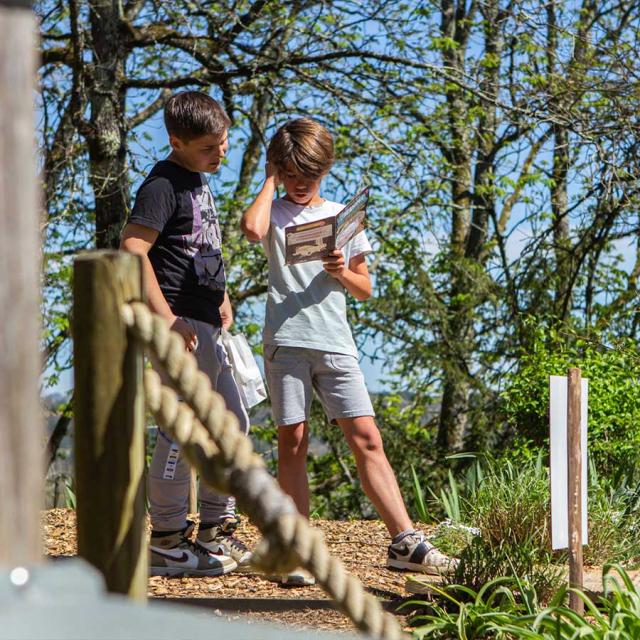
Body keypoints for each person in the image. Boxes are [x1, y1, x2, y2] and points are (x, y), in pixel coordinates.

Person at [240, 118, 458, 586]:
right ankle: (295, 548)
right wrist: (269, 180)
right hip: (287, 340)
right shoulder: (274, 211)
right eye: (292, 175)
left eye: (310, 177)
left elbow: (364, 289)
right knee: (292, 442)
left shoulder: (343, 215)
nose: (301, 185)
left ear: (326, 172)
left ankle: (405, 541)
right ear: (280, 170)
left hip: (335, 342)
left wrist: (340, 269)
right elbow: (252, 230)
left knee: (367, 437)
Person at [120, 91, 251, 577]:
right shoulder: (162, 184)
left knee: (231, 424)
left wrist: (220, 294)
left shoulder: (197, 178)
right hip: (180, 327)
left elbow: (198, 244)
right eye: (209, 148)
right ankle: (168, 539)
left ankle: (216, 529)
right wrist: (167, 317)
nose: (221, 155)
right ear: (176, 141)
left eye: (224, 144)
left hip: (207, 323)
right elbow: (133, 248)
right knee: (180, 433)